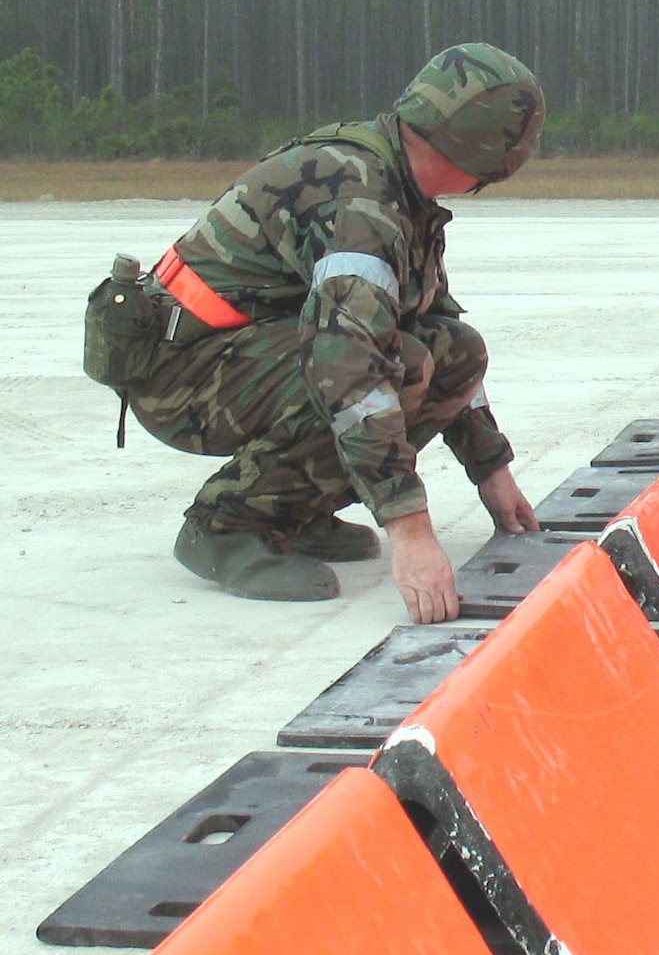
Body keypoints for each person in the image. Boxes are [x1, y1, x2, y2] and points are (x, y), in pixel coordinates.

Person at [127, 44, 544, 623]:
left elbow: (434, 325)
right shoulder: (360, 202)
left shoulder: (400, 185)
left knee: (452, 351)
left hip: (244, 358)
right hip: (182, 374)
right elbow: (350, 368)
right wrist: (410, 528)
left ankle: (293, 508)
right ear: (486, 156)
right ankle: (227, 524)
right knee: (393, 366)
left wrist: (490, 468)